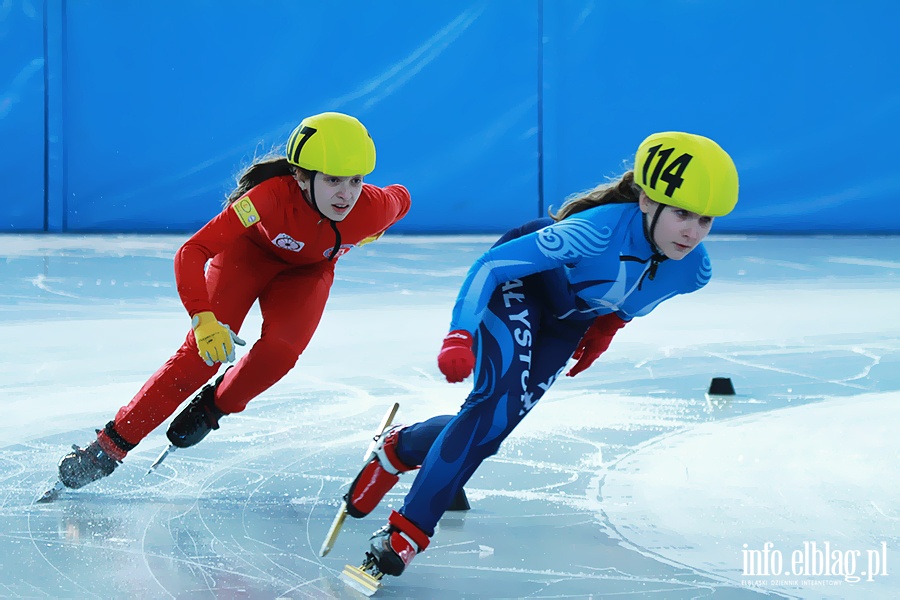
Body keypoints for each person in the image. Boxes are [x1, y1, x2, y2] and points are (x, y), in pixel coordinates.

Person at [341, 131, 739, 577]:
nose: (692, 231)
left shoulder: (693, 270)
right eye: (682, 213)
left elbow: (632, 299)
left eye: (705, 220)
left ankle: (400, 448)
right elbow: (491, 268)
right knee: (493, 407)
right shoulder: (593, 231)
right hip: (522, 285)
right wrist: (460, 334)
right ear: (646, 200)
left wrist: (606, 327)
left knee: (491, 430)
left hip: (566, 321)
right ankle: (407, 532)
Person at [55, 112, 411, 491]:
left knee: (280, 353)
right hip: (247, 256)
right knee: (200, 357)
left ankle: (212, 408)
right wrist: (202, 318)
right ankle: (108, 448)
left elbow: (401, 199)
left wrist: (378, 229)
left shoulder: (372, 208)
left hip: (305, 274)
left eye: (355, 180)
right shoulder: (269, 197)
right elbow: (192, 251)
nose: (346, 193)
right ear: (302, 177)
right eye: (333, 180)